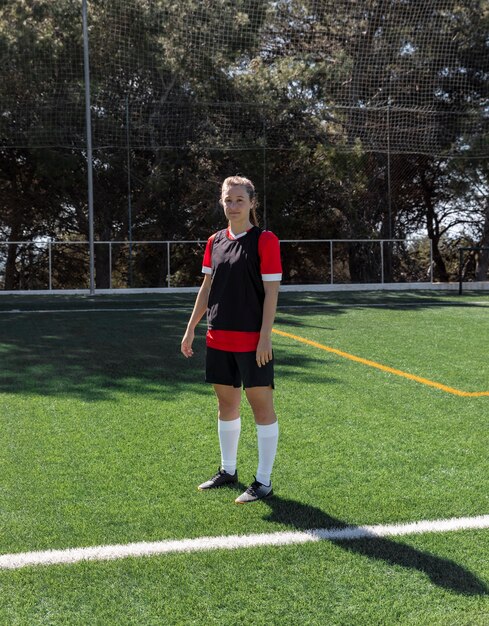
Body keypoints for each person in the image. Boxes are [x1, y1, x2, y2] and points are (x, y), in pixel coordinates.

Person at [181, 175, 282, 504]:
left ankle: (263, 482)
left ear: (252, 203)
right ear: (221, 203)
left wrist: (265, 337)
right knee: (226, 405)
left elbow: (271, 292)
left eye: (239, 199)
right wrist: (191, 327)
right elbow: (207, 288)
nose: (233, 205)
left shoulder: (265, 240)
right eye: (228, 199)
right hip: (218, 336)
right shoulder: (214, 241)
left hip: (252, 341)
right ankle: (228, 470)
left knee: (261, 409)